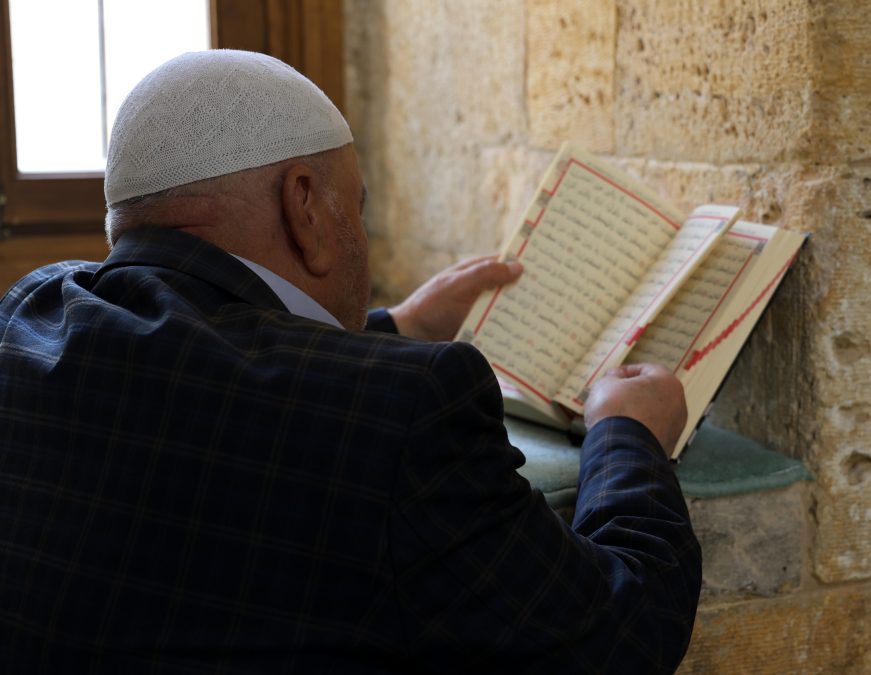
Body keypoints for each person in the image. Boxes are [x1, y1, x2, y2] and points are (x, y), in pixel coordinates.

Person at [0, 50, 701, 673]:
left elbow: (203, 354)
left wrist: (393, 326)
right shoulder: (411, 409)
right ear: (305, 207)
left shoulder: (29, 313)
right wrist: (627, 434)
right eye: (357, 210)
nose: (359, 233)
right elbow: (620, 637)